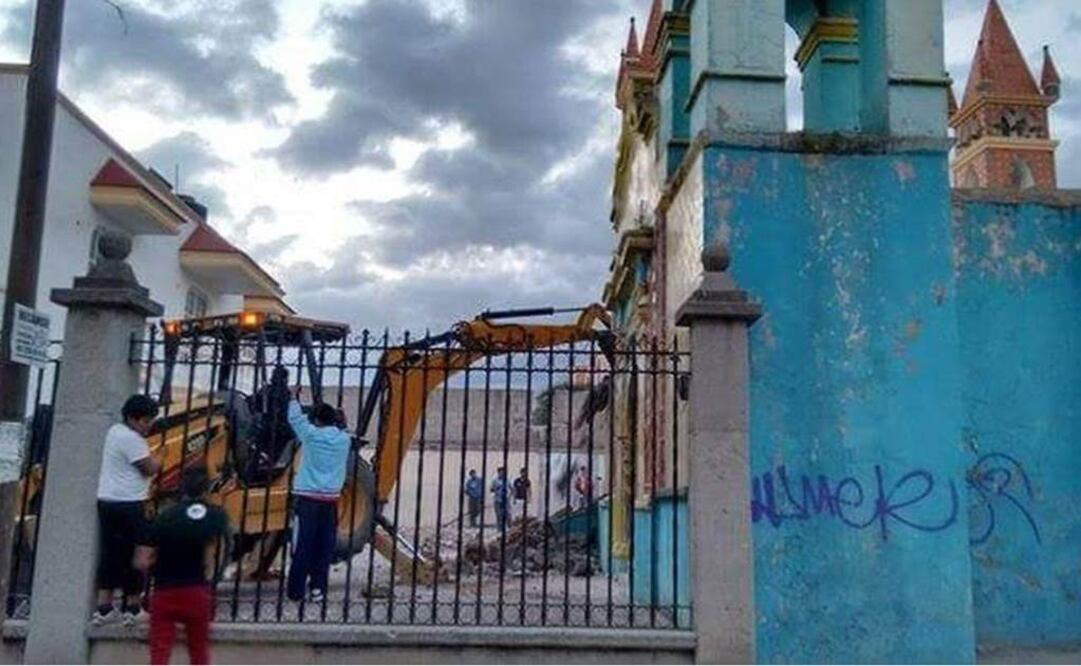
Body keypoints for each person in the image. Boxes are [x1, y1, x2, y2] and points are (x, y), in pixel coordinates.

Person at [134, 466, 229, 666]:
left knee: (159, 652)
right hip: (196, 591)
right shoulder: (215, 516)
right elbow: (211, 555)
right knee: (199, 653)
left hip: (164, 592)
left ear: (181, 488)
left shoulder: (165, 517)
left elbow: (142, 561)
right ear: (206, 488)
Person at [92, 394, 161, 626]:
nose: (148, 425)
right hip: (130, 503)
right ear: (133, 418)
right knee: (137, 555)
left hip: (107, 501)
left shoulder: (113, 432)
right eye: (146, 421)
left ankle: (104, 609)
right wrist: (158, 459)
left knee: (111, 553)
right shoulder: (132, 439)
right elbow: (149, 468)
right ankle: (132, 609)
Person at [285, 385, 351, 603]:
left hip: (308, 500)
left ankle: (296, 591)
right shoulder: (344, 440)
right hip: (330, 501)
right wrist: (341, 419)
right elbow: (343, 429)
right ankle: (317, 590)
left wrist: (294, 397)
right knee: (324, 547)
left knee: (303, 545)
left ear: (316, 420)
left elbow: (294, 419)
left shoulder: (311, 436)